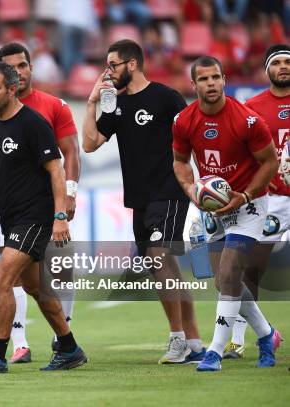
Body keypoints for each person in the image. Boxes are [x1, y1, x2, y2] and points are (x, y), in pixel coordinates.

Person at [0, 61, 87, 374]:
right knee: (36, 289)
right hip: (11, 218)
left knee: (1, 278)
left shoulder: (34, 124)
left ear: (12, 89)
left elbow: (56, 169)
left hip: (35, 217)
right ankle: (69, 348)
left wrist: (59, 217)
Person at [82, 39, 205, 364]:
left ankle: (177, 339)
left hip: (170, 190)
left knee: (158, 255)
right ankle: (194, 342)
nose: (108, 71)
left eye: (113, 65)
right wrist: (92, 102)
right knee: (165, 267)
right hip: (139, 197)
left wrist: (199, 182)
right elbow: (91, 144)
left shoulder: (166, 98)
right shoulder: (115, 104)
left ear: (132, 64)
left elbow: (193, 136)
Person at [172, 55, 280, 372]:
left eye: (216, 77)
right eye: (204, 79)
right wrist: (191, 190)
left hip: (249, 204)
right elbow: (180, 162)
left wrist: (245, 194)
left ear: (224, 80)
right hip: (215, 208)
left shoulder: (247, 120)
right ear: (194, 85)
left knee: (231, 270)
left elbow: (270, 162)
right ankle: (266, 334)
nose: (211, 84)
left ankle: (215, 352)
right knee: (223, 281)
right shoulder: (184, 121)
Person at [222, 44, 289, 359]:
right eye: (278, 62)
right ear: (267, 70)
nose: (284, 67)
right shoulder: (252, 107)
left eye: (289, 62)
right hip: (272, 200)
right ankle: (238, 339)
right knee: (250, 267)